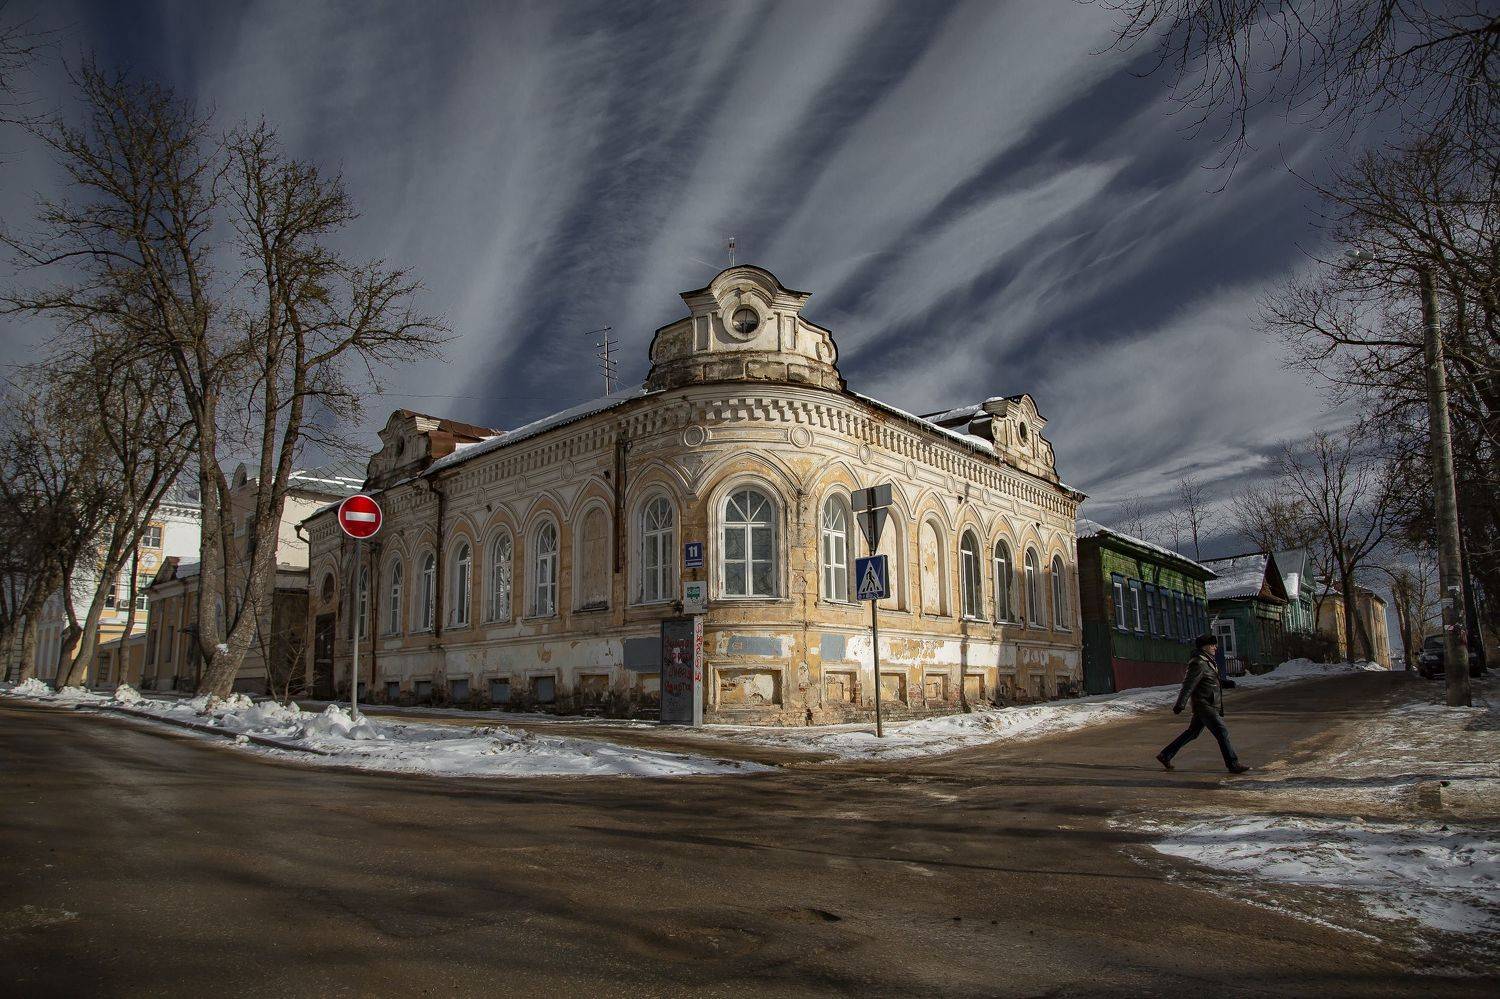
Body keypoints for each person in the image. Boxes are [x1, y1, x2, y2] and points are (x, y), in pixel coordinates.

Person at [1156, 634, 1250, 774]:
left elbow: (1209, 680)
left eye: (1214, 645)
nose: (1215, 647)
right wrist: (1180, 704)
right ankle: (1233, 764)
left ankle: (1165, 755)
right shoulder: (1198, 662)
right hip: (1205, 705)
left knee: (1192, 733)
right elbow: (1189, 684)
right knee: (1222, 731)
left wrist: (1225, 683)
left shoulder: (1208, 660)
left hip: (1208, 704)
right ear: (1204, 646)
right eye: (1212, 645)